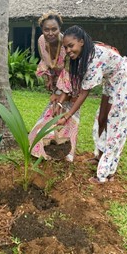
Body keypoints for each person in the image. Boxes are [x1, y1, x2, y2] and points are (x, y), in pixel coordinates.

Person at [55, 25, 127, 183]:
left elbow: (83, 93)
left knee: (115, 126)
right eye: (65, 47)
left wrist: (67, 116)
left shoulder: (94, 59)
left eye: (71, 46)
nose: (68, 50)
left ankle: (106, 173)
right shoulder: (85, 55)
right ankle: (100, 156)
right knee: (101, 119)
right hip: (112, 81)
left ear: (81, 42)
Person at [28, 11, 79, 162]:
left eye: (54, 29)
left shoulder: (66, 44)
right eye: (46, 29)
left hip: (72, 80)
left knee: (69, 113)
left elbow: (69, 72)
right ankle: (42, 149)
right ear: (42, 30)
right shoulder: (41, 41)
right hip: (56, 79)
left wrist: (60, 96)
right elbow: (45, 60)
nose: (50, 33)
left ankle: (66, 153)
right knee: (51, 112)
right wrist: (49, 78)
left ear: (60, 28)